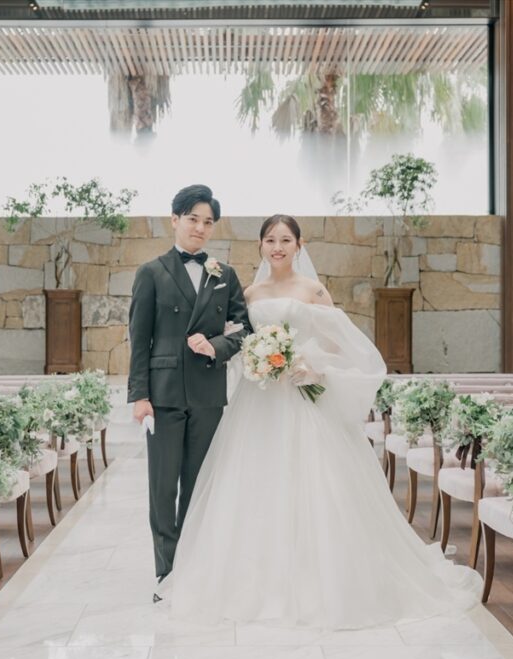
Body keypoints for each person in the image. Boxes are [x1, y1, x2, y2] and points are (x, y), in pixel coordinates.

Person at [156, 214, 482, 629]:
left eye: (285, 240)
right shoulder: (249, 292)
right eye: (270, 240)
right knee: (252, 483)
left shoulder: (313, 290)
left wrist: (315, 368)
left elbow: (342, 346)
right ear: (260, 246)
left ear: (299, 245)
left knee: (316, 483)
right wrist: (249, 357)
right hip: (258, 402)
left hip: (303, 398)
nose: (277, 247)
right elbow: (237, 341)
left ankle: (321, 582)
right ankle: (254, 581)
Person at [127, 184, 251, 592]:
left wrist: (215, 346)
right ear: (175, 220)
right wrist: (140, 396)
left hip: (207, 394)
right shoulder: (151, 272)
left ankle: (195, 570)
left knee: (199, 486)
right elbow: (139, 340)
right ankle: (167, 573)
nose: (200, 227)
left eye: (208, 222)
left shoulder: (224, 275)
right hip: (162, 395)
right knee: (163, 488)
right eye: (193, 219)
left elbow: (243, 330)